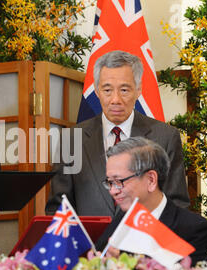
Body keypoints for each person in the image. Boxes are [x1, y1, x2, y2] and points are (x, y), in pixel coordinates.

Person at [46, 50, 190, 217]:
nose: (115, 99)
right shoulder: (71, 140)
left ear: (138, 90)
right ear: (97, 91)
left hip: (146, 241)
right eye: (107, 90)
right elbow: (58, 210)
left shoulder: (165, 137)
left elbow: (177, 207)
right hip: (89, 243)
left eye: (124, 90)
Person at [95, 137, 207, 266]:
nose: (113, 191)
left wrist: (125, 266)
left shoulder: (194, 228)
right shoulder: (121, 219)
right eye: (110, 182)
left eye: (119, 181)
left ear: (151, 180)